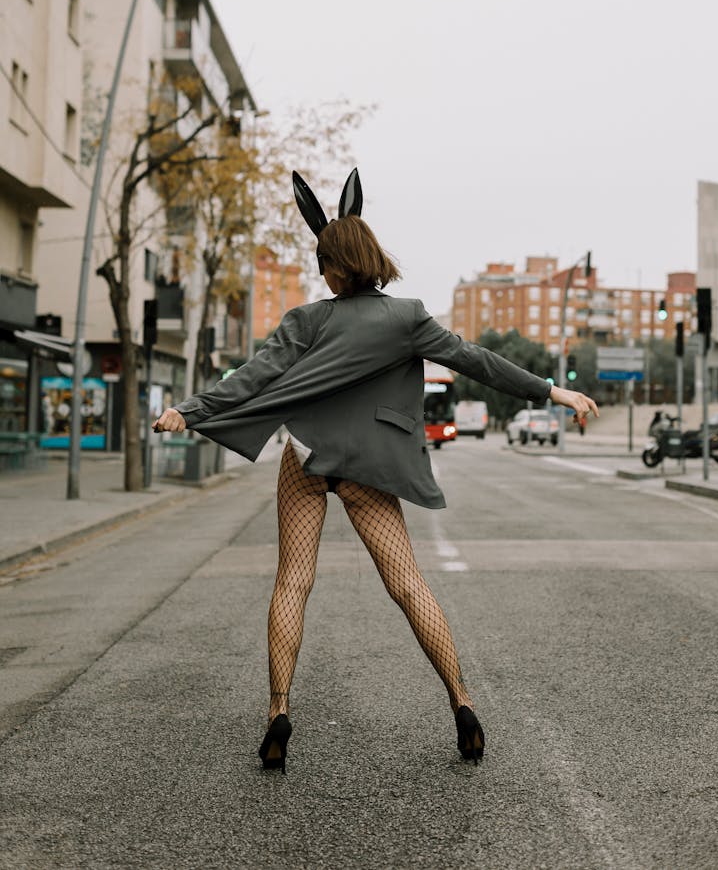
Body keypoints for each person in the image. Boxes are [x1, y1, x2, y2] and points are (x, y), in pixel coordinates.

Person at [153, 169, 599, 774]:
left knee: (293, 582)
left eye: (322, 263)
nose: (319, 274)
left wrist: (189, 410)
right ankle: (462, 703)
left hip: (306, 459)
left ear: (337, 265)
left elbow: (253, 378)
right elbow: (478, 361)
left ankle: (279, 710)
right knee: (409, 585)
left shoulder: (305, 321)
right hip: (368, 469)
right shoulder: (408, 317)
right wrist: (551, 391)